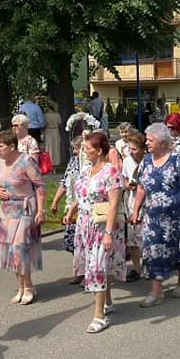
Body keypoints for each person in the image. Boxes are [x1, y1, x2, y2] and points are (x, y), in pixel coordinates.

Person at [131, 123, 180, 306]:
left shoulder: (177, 159)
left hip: (177, 215)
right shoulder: (147, 160)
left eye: (150, 140)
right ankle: (156, 292)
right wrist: (135, 210)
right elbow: (141, 187)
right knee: (152, 252)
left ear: (162, 142)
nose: (147, 143)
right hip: (153, 217)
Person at [66, 131, 123, 333]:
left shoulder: (111, 172)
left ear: (99, 151)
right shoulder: (86, 170)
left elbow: (114, 204)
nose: (84, 152)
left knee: (97, 267)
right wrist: (71, 210)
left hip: (101, 226)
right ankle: (107, 302)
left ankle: (99, 315)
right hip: (84, 225)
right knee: (95, 265)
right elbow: (80, 193)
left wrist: (108, 232)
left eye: (88, 149)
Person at [0, 129, 45, 305]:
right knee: (10, 249)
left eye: (1, 146)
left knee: (19, 248)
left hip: (25, 209)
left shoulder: (26, 161)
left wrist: (41, 210)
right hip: (7, 211)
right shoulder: (1, 162)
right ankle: (20, 286)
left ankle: (28, 286)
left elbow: (39, 185)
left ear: (12, 146)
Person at [52, 136, 83, 283]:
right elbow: (64, 182)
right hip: (71, 205)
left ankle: (85, 273)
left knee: (83, 242)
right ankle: (79, 269)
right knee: (70, 241)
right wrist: (55, 201)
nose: (74, 151)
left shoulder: (88, 163)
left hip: (83, 207)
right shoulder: (72, 161)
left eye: (77, 148)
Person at [120, 131, 146, 283]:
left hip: (147, 203)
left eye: (134, 149)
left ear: (143, 149)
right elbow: (123, 178)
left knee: (146, 236)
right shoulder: (128, 161)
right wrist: (126, 185)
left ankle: (151, 265)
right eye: (129, 148)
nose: (131, 152)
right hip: (131, 202)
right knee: (132, 237)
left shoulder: (149, 160)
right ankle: (136, 268)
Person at [43, 101, 63, 166]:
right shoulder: (57, 115)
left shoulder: (45, 115)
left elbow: (44, 124)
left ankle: (49, 164)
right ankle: (55, 163)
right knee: (55, 148)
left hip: (48, 131)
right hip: (55, 131)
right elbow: (59, 124)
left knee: (48, 147)